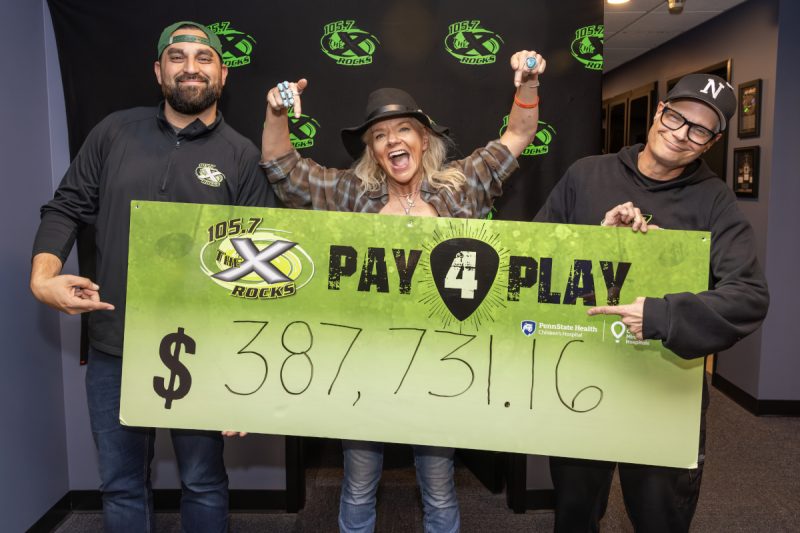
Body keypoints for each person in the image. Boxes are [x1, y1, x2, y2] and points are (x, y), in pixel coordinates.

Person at [260, 50, 546, 532]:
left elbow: (518, 134)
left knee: (437, 483)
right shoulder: (352, 194)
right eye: (379, 135)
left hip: (441, 363)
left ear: (423, 138)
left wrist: (528, 83)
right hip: (366, 362)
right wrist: (276, 111)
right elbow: (281, 165)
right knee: (358, 481)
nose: (392, 140)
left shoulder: (462, 186)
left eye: (403, 130)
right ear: (372, 150)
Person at [30, 21, 273, 532]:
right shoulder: (114, 131)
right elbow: (66, 207)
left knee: (204, 482)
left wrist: (245, 377)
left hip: (203, 348)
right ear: (158, 70)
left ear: (222, 74)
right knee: (120, 484)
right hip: (114, 341)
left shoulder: (242, 155)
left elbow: (257, 267)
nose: (190, 67)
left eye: (203, 57)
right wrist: (43, 276)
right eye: (177, 56)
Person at [534, 73, 770, 532]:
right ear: (660, 110)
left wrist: (663, 311)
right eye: (677, 117)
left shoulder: (715, 201)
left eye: (699, 129)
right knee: (575, 513)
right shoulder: (586, 175)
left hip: (664, 386)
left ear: (711, 142)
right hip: (583, 376)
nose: (681, 133)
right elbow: (536, 260)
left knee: (660, 517)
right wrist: (596, 243)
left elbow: (749, 296)